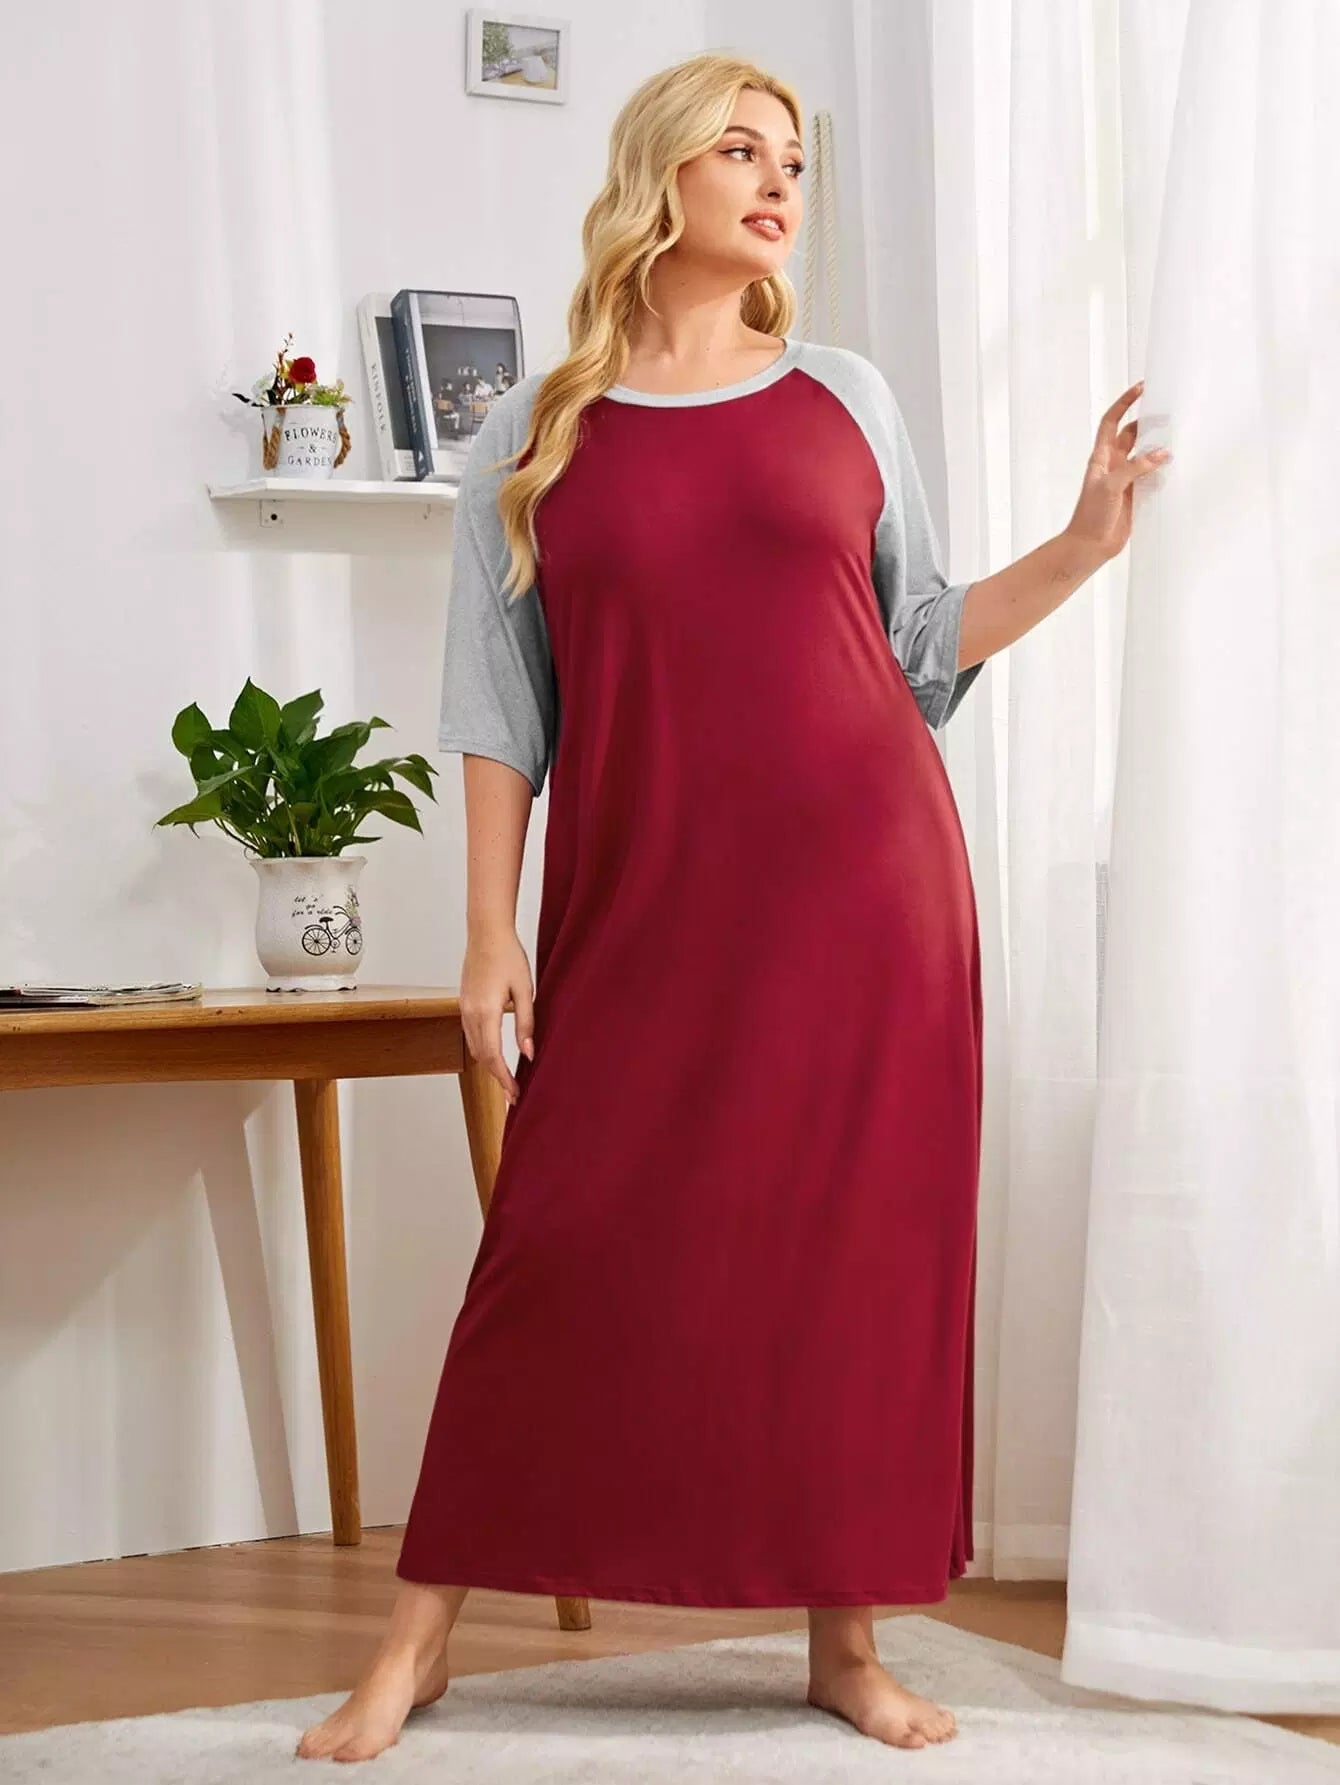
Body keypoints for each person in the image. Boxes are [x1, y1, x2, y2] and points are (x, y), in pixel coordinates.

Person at [298, 49, 1167, 1767]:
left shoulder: (844, 397)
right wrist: (488, 931)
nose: (779, 183)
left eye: (793, 160)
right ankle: (417, 1639)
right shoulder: (534, 434)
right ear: (663, 175)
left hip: (869, 897)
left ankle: (847, 1643)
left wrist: (1080, 545)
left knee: (849, 1261)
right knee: (553, 1247)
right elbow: (499, 709)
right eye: (741, 151)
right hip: (644, 906)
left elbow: (919, 648)